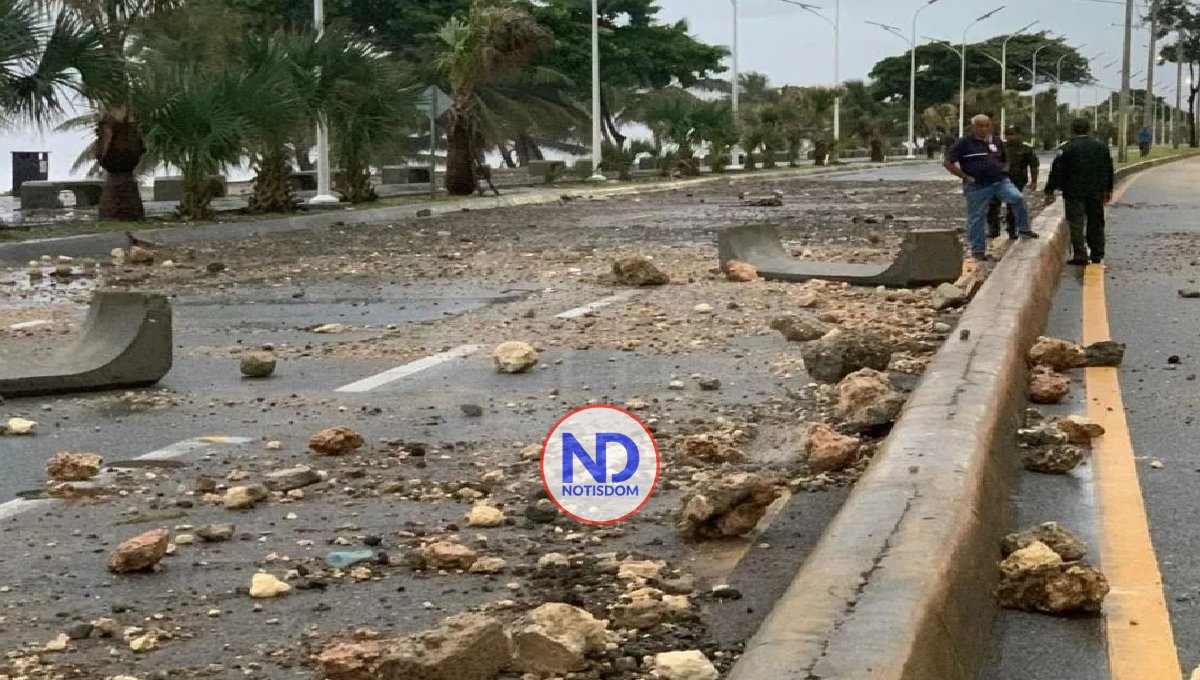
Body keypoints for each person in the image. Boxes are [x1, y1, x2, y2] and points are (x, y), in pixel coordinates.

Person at [944, 114, 1037, 261]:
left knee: (1018, 198)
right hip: (977, 187)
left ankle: (1024, 229)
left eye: (987, 125)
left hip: (1000, 182)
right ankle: (978, 250)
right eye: (980, 126)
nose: (984, 129)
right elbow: (948, 163)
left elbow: (1005, 158)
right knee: (977, 218)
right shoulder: (963, 143)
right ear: (973, 127)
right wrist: (965, 177)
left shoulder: (996, 141)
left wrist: (1004, 170)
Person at [1044, 118, 1115, 266]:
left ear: (1072, 130)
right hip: (1096, 192)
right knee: (1096, 222)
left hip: (1073, 192)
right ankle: (1097, 253)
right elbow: (1109, 169)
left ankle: (1080, 254)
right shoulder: (1101, 147)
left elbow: (1056, 170)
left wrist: (1049, 189)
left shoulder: (1066, 148)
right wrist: (1108, 189)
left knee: (1076, 222)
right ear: (1089, 130)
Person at [987, 124, 1040, 239]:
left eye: (1013, 134)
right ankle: (993, 230)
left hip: (1017, 181)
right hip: (999, 180)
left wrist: (1034, 181)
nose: (1010, 137)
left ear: (1019, 135)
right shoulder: (999, 147)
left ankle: (1012, 230)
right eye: (1008, 134)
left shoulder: (1025, 148)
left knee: (1013, 206)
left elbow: (1033, 165)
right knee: (993, 205)